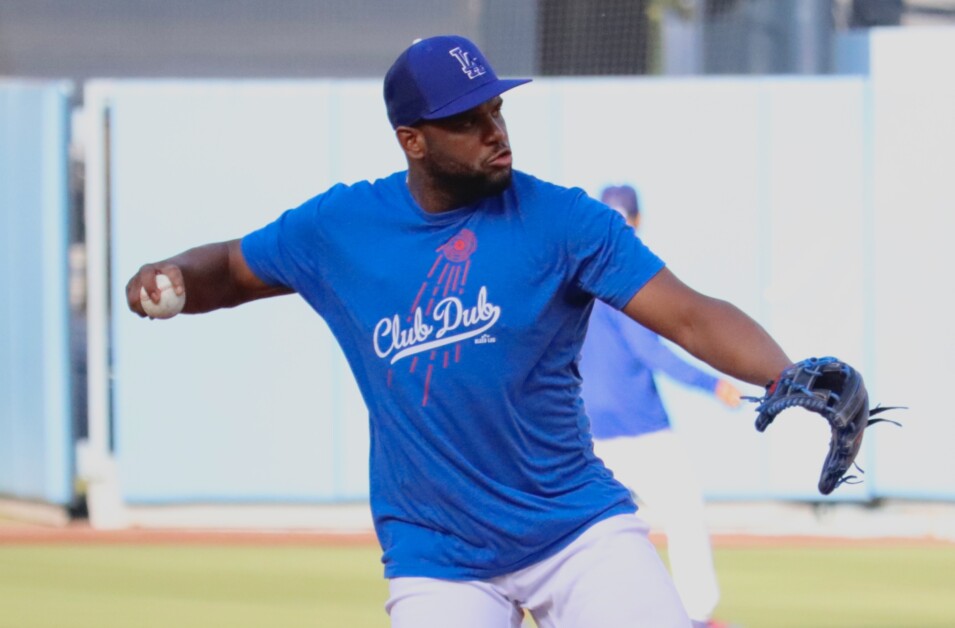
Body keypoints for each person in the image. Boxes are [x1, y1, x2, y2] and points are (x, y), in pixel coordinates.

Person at [127, 35, 792, 628]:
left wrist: (783, 373)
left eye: (496, 110)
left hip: (575, 529)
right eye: (466, 121)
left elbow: (688, 312)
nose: (494, 130)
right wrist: (173, 278)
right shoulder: (339, 228)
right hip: (437, 551)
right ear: (412, 139)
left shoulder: (561, 220)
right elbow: (232, 268)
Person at [580, 184, 742, 628]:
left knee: (594, 536)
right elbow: (651, 352)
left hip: (588, 434)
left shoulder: (575, 277)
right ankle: (694, 618)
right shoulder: (627, 276)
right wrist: (712, 382)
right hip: (641, 430)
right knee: (685, 514)